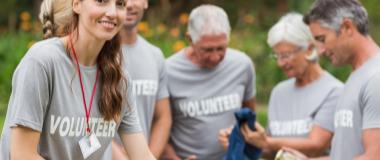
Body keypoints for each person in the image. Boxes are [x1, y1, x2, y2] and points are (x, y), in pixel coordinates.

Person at [0, 0, 155, 159]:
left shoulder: (120, 80)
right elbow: (23, 155)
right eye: (101, 1)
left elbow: (142, 155)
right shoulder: (41, 62)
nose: (112, 12)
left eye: (120, 4)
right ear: (76, 4)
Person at [219, 12, 343, 159]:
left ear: (309, 48)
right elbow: (273, 151)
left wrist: (265, 142)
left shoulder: (334, 92)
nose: (280, 63)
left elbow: (316, 146)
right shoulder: (279, 91)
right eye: (276, 56)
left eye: (285, 55)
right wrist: (244, 141)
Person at [283, 0, 380, 159]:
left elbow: (374, 156)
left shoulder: (376, 78)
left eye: (322, 39)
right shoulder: (358, 74)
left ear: (347, 27)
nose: (320, 51)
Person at [164, 4, 257, 160]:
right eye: (207, 50)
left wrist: (237, 135)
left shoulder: (242, 65)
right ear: (190, 39)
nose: (215, 57)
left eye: (221, 48)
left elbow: (249, 119)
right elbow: (157, 129)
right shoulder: (168, 71)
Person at [112, 0, 171, 159]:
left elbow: (163, 117)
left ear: (145, 3)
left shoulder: (155, 55)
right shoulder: (98, 55)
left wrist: (148, 155)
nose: (129, 5)